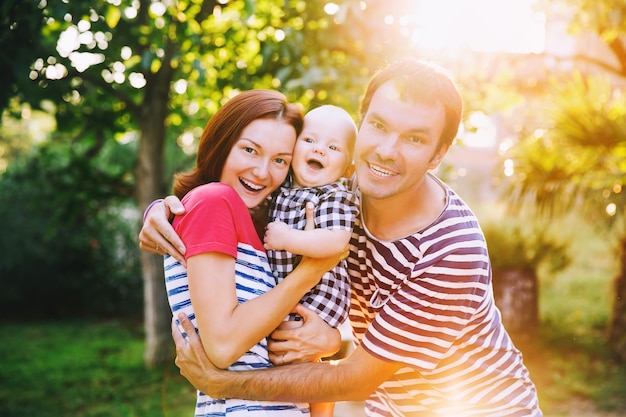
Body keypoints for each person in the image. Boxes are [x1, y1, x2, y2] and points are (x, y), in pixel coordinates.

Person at [140, 59, 543, 416]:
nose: (387, 151)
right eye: (379, 126)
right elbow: (243, 202)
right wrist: (165, 208)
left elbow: (357, 378)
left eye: (414, 138)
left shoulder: (451, 249)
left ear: (439, 154)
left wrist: (219, 383)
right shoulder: (338, 197)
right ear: (361, 121)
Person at [160, 89, 343, 417]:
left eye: (279, 160)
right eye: (249, 150)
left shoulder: (269, 228)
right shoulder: (214, 201)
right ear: (221, 144)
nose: (262, 172)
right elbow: (224, 346)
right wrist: (309, 272)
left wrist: (330, 338)